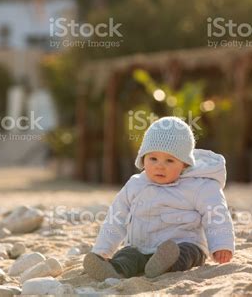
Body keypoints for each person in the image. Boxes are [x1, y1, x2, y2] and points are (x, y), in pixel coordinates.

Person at [83, 116, 235, 281]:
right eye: (153, 158)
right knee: (128, 255)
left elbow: (216, 215)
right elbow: (115, 218)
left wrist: (221, 245)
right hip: (142, 247)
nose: (159, 166)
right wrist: (101, 251)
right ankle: (114, 270)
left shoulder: (199, 186)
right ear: (143, 158)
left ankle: (166, 263)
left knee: (186, 254)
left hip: (184, 244)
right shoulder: (135, 186)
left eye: (169, 160)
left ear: (184, 164)